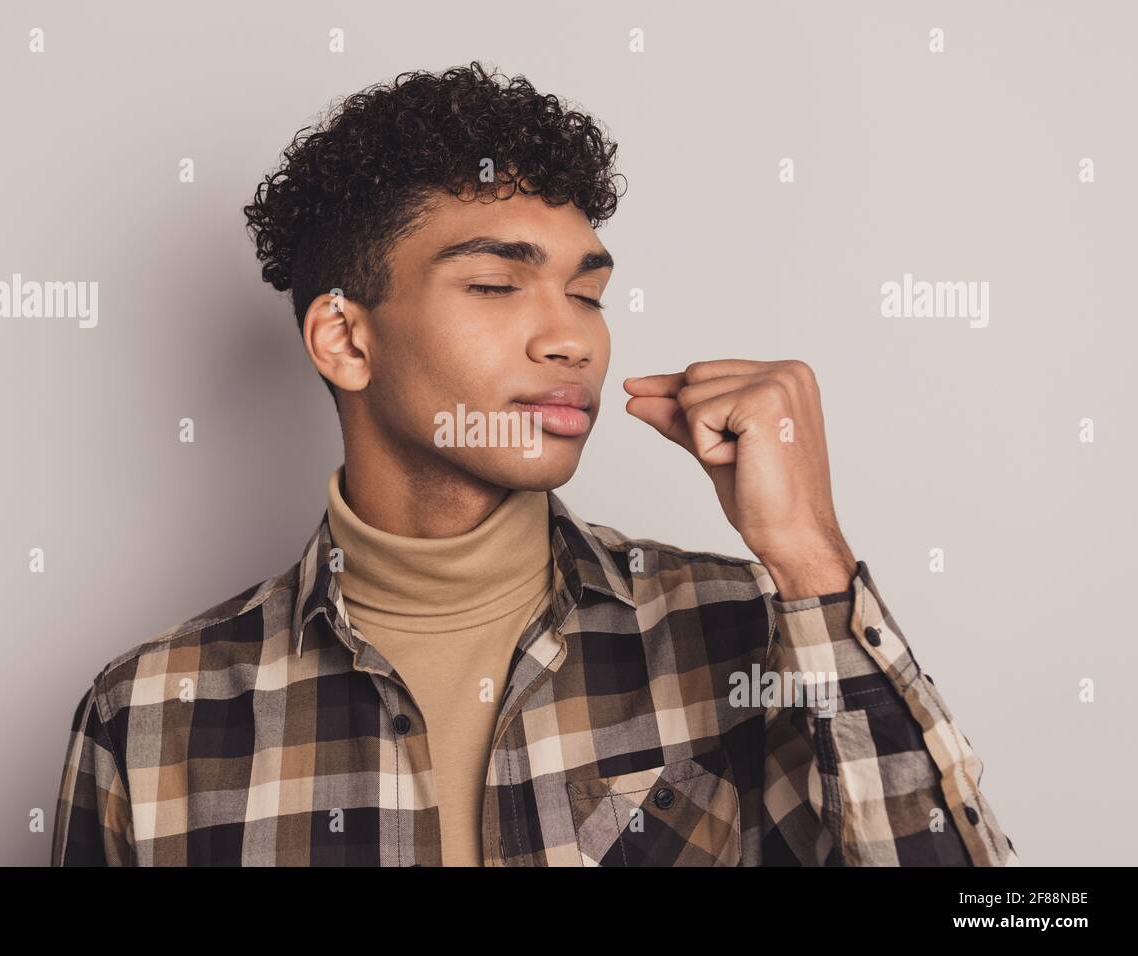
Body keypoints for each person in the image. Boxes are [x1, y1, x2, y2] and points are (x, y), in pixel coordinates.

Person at [51, 61, 1016, 867]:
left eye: (587, 295)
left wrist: (811, 559)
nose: (572, 340)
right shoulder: (150, 717)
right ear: (344, 340)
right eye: (496, 284)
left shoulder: (748, 633)